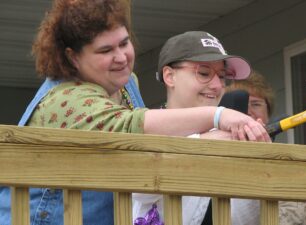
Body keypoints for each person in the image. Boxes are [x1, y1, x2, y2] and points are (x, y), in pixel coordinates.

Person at [0, 1, 271, 225]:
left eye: (124, 43)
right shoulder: (65, 98)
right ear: (73, 57)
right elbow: (131, 126)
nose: (121, 57)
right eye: (105, 50)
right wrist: (218, 116)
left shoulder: (126, 82)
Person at [133, 31, 272, 225]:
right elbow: (138, 188)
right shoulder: (143, 127)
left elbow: (243, 220)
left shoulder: (228, 138)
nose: (217, 85)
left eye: (222, 76)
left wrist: (254, 160)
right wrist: (207, 145)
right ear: (169, 76)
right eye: (204, 73)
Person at [227, 71, 306, 225]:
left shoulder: (285, 162)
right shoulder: (212, 151)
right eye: (241, 105)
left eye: (256, 104)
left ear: (268, 114)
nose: (248, 112)